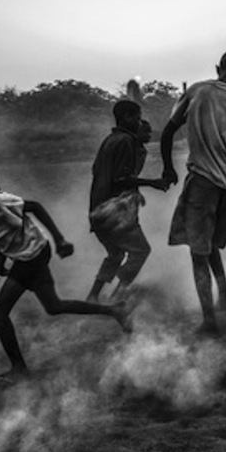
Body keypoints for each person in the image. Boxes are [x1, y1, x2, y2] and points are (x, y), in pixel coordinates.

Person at [0, 166, 129, 380]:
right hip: (29, 253)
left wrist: (60, 240)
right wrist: (1, 257)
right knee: (54, 306)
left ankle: (19, 369)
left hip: (31, 256)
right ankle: (115, 310)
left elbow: (35, 207)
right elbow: (6, 229)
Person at [160, 50, 226, 334]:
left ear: (218, 68)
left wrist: (168, 169)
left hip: (203, 183)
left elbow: (168, 132)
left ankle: (209, 320)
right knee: (210, 245)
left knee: (198, 251)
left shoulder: (199, 91)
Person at [87, 102, 168, 302]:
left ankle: (93, 296)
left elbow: (101, 172)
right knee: (140, 250)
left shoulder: (110, 140)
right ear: (126, 117)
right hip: (114, 211)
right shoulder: (125, 141)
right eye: (138, 118)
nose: (140, 123)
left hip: (99, 209)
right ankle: (118, 296)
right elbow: (121, 178)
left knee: (115, 254)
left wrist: (134, 191)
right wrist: (152, 183)